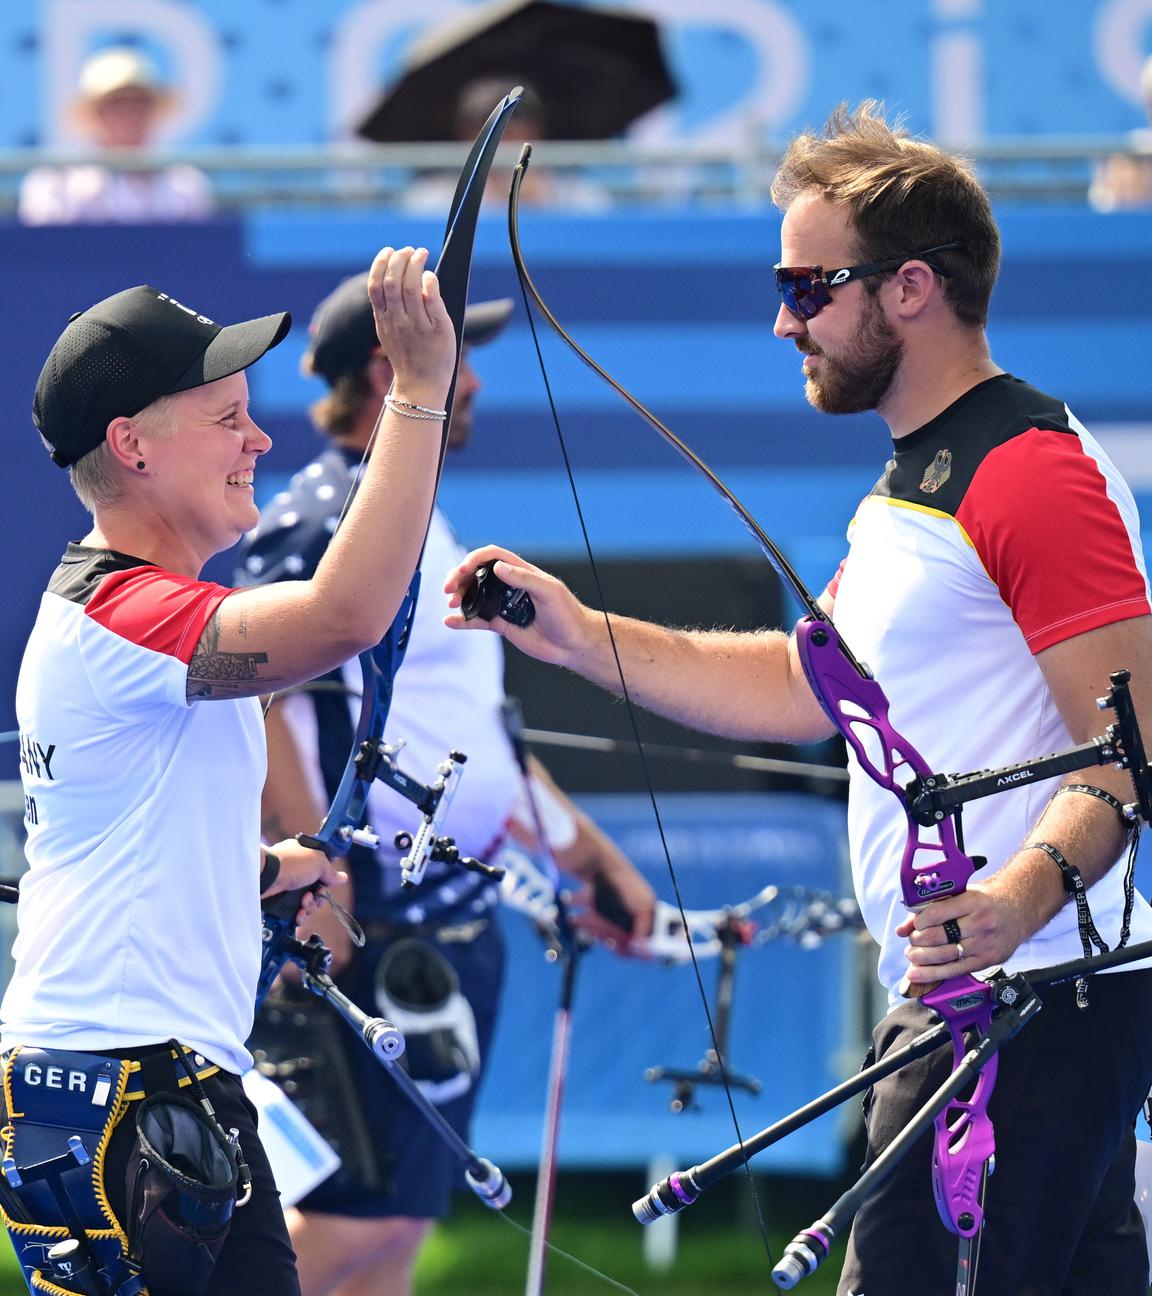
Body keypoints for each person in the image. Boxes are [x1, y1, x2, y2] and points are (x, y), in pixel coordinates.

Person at [442, 102, 1152, 1295]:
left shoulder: (1027, 470)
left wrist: (1012, 904)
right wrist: (573, 634)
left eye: (808, 285)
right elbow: (803, 687)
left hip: (1027, 1004)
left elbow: (1127, 750)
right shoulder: (915, 487)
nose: (784, 320)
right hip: (997, 998)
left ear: (911, 286)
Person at [2, 246, 453, 1295]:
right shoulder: (125, 611)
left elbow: (130, 839)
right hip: (122, 1089)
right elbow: (342, 618)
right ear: (133, 445)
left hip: (162, 1082)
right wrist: (416, 395)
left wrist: (256, 872)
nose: (258, 440)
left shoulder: (120, 617)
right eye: (225, 418)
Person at [236, 271, 655, 1296]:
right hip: (374, 924)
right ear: (393, 368)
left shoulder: (420, 521)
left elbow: (470, 730)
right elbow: (247, 699)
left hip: (448, 928)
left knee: (398, 1232)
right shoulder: (329, 514)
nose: (472, 384)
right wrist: (312, 882)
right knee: (340, 1228)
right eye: (455, 360)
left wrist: (581, 854)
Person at [19, 46, 214, 226]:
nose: (129, 115)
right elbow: (43, 251)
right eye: (117, 105)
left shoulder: (186, 184)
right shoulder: (55, 184)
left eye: (139, 104)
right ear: (96, 114)